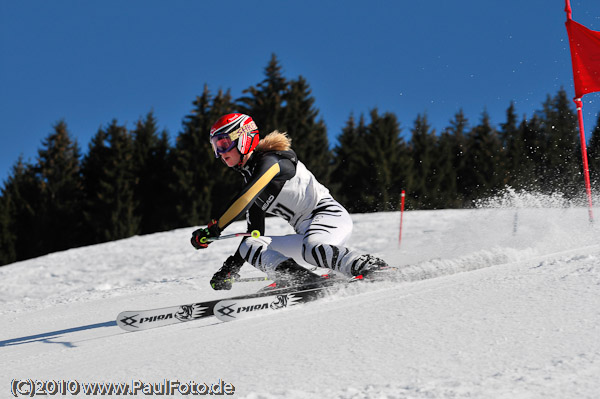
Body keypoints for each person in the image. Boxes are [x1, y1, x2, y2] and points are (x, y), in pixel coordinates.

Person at [191, 113, 392, 290]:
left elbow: (245, 197)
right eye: (215, 147)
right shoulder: (251, 178)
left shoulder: (273, 161)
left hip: (329, 217)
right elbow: (255, 232)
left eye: (224, 143)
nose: (220, 153)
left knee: (313, 248)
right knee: (249, 244)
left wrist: (214, 229)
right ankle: (297, 279)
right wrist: (229, 268)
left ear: (243, 138)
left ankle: (370, 266)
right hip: (306, 236)